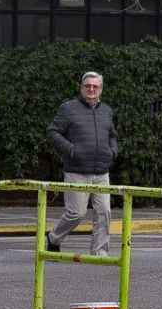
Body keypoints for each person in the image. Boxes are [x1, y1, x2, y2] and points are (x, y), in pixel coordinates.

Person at [45, 71, 118, 255]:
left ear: (101, 89)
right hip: (76, 171)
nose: (91, 89)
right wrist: (71, 150)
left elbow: (112, 136)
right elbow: (53, 132)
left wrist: (112, 152)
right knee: (76, 213)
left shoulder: (106, 111)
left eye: (95, 86)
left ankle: (99, 252)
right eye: (88, 86)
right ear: (82, 87)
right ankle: (54, 238)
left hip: (102, 172)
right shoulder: (69, 108)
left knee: (104, 213)